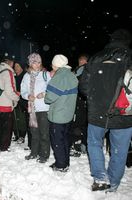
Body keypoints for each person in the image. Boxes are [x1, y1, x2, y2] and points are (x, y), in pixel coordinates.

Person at [79, 29, 132, 192]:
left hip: (97, 113)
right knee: (119, 150)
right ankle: (114, 182)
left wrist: (96, 99)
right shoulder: (129, 57)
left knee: (94, 143)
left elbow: (83, 86)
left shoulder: (95, 58)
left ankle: (100, 177)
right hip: (123, 114)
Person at [44, 54, 78, 172]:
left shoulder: (59, 77)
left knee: (57, 141)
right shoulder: (72, 75)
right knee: (65, 139)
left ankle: (60, 165)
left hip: (58, 115)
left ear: (55, 65)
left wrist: (45, 94)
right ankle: (64, 161)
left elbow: (49, 98)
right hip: (68, 114)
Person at [21, 53, 51, 163]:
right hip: (32, 109)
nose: (37, 64)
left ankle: (44, 155)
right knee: (34, 133)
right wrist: (27, 96)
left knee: (44, 133)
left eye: (39, 62)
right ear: (30, 63)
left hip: (44, 108)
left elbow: (52, 89)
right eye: (34, 62)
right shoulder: (26, 76)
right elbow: (23, 90)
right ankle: (34, 152)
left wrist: (43, 94)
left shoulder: (45, 74)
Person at [0, 57, 20, 153]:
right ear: (10, 62)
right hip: (5, 104)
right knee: (7, 127)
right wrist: (17, 98)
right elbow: (10, 90)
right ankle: (4, 147)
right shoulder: (8, 72)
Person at [69, 53, 89, 156]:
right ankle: (82, 145)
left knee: (78, 123)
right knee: (82, 124)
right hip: (81, 101)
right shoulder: (78, 70)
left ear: (86, 61)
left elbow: (78, 84)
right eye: (80, 60)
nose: (81, 62)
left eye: (83, 60)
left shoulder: (84, 70)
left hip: (80, 101)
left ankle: (78, 146)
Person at [12, 62, 28, 144]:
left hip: (22, 101)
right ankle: (16, 134)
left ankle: (22, 135)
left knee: (22, 119)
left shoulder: (25, 76)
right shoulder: (14, 76)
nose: (16, 68)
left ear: (22, 67)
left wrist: (20, 92)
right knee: (15, 118)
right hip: (15, 100)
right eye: (15, 66)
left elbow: (27, 89)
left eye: (18, 66)